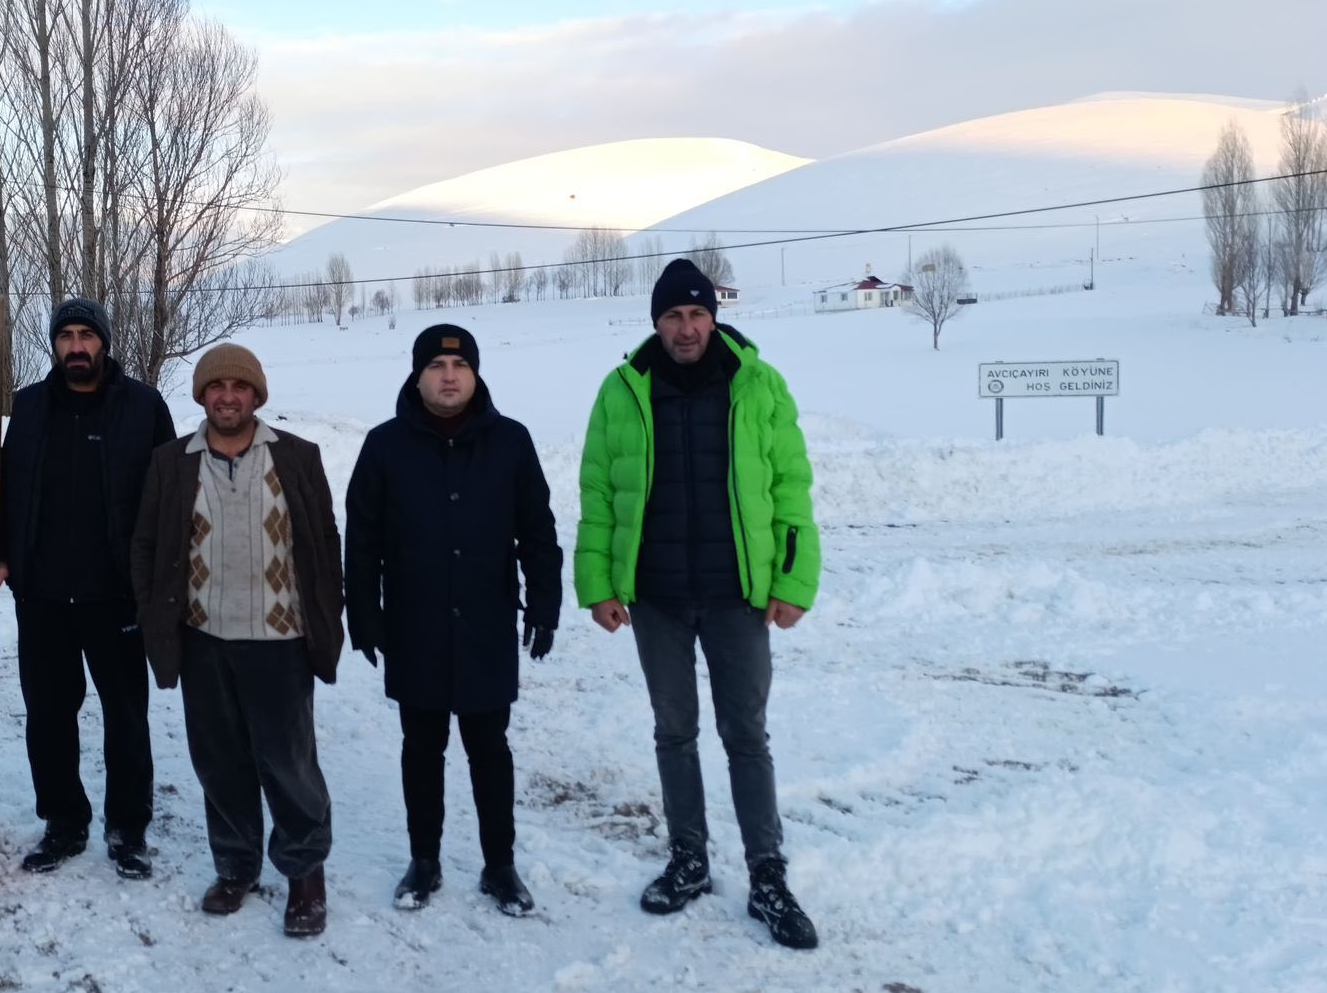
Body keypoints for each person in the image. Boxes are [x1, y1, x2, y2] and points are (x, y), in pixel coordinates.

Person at [576, 259, 823, 949]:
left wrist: (792, 582)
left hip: (735, 597)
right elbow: (598, 493)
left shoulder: (758, 385)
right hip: (655, 596)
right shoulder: (624, 391)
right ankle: (689, 858)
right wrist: (599, 583)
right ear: (655, 322)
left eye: (696, 315)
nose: (686, 329)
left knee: (746, 734)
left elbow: (792, 491)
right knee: (674, 731)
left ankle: (767, 875)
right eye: (672, 317)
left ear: (713, 318)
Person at [345, 324, 561, 915]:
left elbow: (538, 532)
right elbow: (361, 542)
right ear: (417, 376)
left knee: (489, 746)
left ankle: (500, 866)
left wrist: (544, 602)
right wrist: (364, 614)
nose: (448, 376)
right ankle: (425, 861)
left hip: (487, 624)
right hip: (415, 626)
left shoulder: (511, 442)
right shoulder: (384, 446)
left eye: (459, 365)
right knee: (422, 746)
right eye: (436, 366)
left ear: (475, 373)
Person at [131, 344, 342, 938]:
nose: (228, 395)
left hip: (280, 639)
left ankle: (305, 875)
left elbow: (325, 547)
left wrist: (328, 618)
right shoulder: (172, 463)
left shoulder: (297, 458)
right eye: (216, 386)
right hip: (204, 639)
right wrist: (156, 618)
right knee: (220, 763)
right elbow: (146, 546)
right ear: (202, 396)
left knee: (288, 762)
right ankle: (236, 867)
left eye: (240, 387)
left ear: (257, 396)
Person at [0, 298, 177, 879]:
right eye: (66, 336)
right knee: (49, 713)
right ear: (54, 346)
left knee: (125, 714)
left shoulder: (142, 407)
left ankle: (127, 825)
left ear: (105, 343)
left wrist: (159, 578)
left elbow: (166, 498)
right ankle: (63, 820)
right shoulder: (32, 407)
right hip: (42, 594)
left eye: (87, 335)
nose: (77, 346)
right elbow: (7, 488)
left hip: (116, 593)